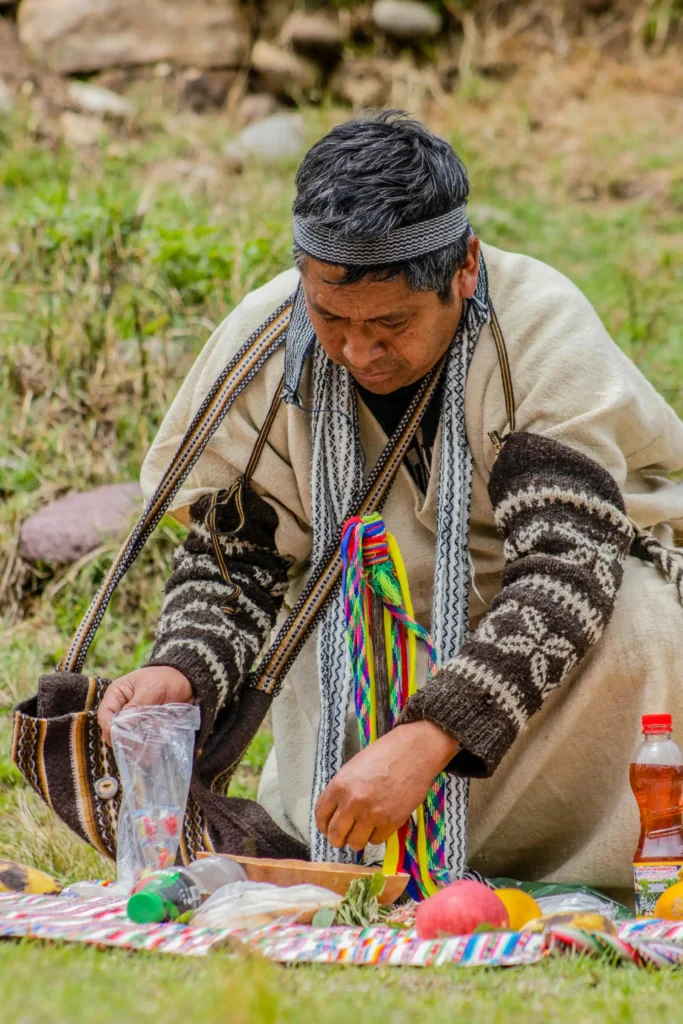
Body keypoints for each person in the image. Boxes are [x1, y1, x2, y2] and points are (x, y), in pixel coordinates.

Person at [99, 111, 683, 898]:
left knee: (641, 618)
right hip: (370, 644)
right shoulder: (264, 342)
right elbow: (236, 557)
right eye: (330, 318)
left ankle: (598, 867)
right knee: (327, 616)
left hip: (564, 652)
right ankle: (372, 852)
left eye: (392, 323)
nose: (358, 352)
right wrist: (179, 667)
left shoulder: (539, 329)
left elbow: (563, 574)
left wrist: (430, 734)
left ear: (465, 268)